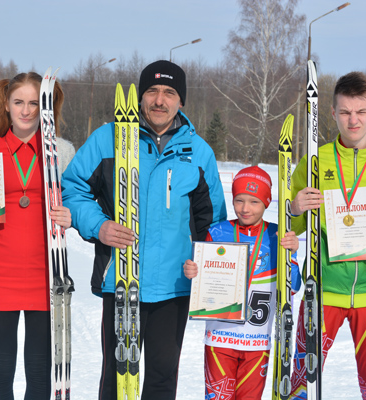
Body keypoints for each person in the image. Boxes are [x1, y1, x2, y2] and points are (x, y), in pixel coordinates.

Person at [61, 60, 227, 400]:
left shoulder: (198, 152)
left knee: (162, 380)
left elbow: (213, 224)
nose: (159, 100)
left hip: (175, 287)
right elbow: (73, 189)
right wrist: (98, 226)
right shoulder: (108, 138)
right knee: (115, 378)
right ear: (140, 96)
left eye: (169, 93)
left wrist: (211, 272)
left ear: (181, 101)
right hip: (121, 279)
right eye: (151, 91)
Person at [289, 72, 366, 399]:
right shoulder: (315, 160)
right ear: (332, 113)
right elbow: (294, 225)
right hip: (323, 290)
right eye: (344, 112)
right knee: (302, 383)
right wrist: (294, 209)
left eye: (359, 111)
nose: (352, 120)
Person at [0, 71, 75, 399]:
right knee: (0, 368)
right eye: (18, 102)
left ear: (46, 108)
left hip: (45, 274)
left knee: (40, 370)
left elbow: (79, 201)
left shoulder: (62, 152)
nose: (26, 111)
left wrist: (73, 214)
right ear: (7, 105)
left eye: (33, 103)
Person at [183, 166, 301, 400]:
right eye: (239, 200)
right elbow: (200, 284)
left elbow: (294, 286)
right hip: (220, 338)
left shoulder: (277, 235)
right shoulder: (217, 231)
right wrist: (192, 271)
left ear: (267, 202)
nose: (245, 208)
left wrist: (292, 257)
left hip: (257, 341)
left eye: (254, 202)